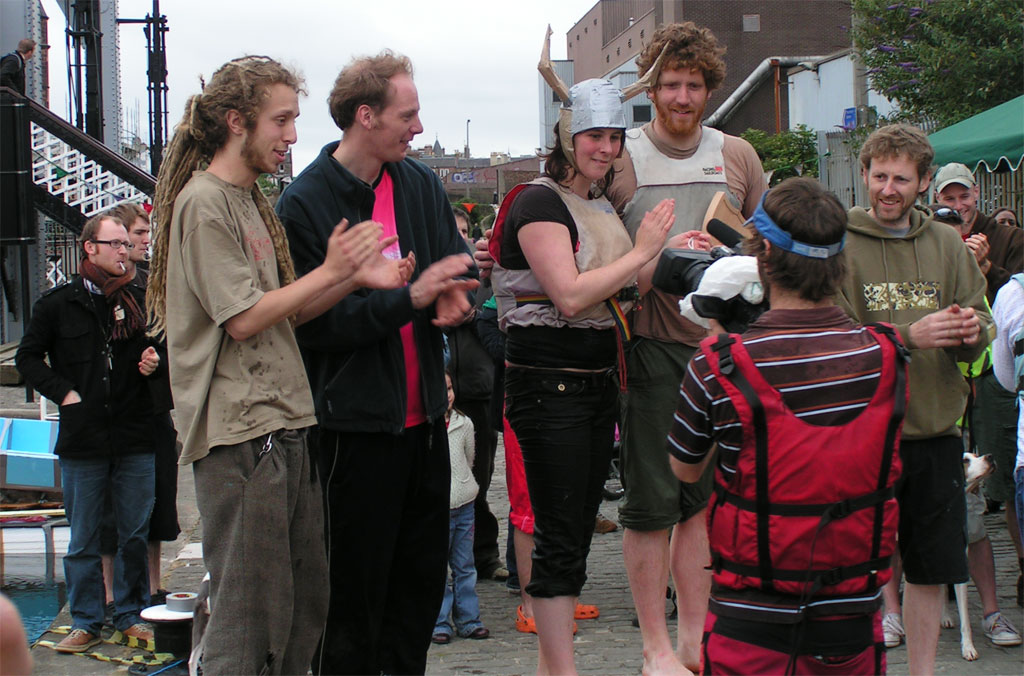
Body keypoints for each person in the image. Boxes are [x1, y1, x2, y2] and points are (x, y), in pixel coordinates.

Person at [147, 55, 409, 675]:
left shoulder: (247, 200)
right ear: (236, 122)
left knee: (300, 608)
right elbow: (243, 319)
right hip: (241, 434)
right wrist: (334, 270)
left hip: (282, 424)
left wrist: (347, 281)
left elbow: (280, 316)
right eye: (282, 119)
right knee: (248, 617)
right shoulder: (205, 203)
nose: (294, 135)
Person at [274, 50, 477, 675]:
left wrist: (452, 294)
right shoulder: (306, 203)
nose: (418, 128)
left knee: (417, 598)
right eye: (407, 115)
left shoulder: (415, 181)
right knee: (353, 606)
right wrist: (408, 298)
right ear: (366, 116)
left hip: (424, 431)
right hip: (354, 434)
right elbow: (318, 329)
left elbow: (452, 259)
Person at [670, 176, 907, 675]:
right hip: (853, 620)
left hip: (750, 624)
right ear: (840, 264)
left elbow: (685, 470)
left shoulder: (719, 365)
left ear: (763, 260)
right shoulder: (886, 356)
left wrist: (719, 338)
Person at [489, 74, 674, 674]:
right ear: (568, 135)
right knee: (560, 535)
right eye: (595, 135)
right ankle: (561, 670)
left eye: (615, 137)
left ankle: (553, 668)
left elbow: (621, 293)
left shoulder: (597, 203)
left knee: (572, 532)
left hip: (595, 385)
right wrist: (643, 251)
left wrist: (665, 255)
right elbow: (569, 297)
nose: (606, 148)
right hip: (549, 388)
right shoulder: (536, 201)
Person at [603, 22, 768, 675]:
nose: (680, 96)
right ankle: (653, 647)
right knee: (650, 505)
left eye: (692, 84)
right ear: (652, 86)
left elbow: (768, 248)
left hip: (727, 351)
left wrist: (725, 257)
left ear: (709, 87)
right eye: (669, 83)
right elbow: (591, 251)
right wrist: (653, 263)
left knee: (702, 505)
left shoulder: (738, 155)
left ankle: (697, 640)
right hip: (650, 347)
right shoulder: (619, 157)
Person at [836, 124, 991, 675]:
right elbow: (831, 339)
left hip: (934, 436)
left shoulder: (948, 246)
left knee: (931, 568)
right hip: (859, 438)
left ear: (923, 182)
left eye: (902, 178)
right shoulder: (839, 245)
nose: (888, 188)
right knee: (853, 573)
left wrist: (975, 328)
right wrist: (908, 337)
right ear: (864, 176)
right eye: (879, 176)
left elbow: (984, 319)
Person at [16, 213, 159, 653]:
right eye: (113, 243)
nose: (123, 250)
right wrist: (65, 394)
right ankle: (86, 620)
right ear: (90, 248)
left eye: (125, 243)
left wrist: (156, 363)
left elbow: (170, 352)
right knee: (83, 537)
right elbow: (28, 358)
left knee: (135, 532)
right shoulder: (58, 304)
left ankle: (132, 614)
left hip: (134, 432)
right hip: (84, 438)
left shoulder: (143, 298)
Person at [933, 163, 1024, 601]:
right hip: (939, 375)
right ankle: (942, 578)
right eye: (947, 199)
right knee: (935, 477)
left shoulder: (1008, 239)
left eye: (963, 197)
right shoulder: (928, 238)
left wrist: (985, 268)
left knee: (999, 476)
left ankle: (1014, 577)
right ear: (935, 201)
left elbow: (1011, 305)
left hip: (991, 375)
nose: (957, 207)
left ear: (977, 195)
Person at [97, 202, 179, 613]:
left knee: (158, 503)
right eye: (138, 235)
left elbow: (170, 340)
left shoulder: (151, 288)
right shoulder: (94, 296)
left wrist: (158, 361)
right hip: (114, 413)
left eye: (146, 235)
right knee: (111, 511)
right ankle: (110, 593)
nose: (145, 242)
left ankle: (151, 586)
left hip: (150, 409)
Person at [450, 206, 506, 581]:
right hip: (439, 391)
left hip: (476, 385)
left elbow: (495, 313)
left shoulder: (482, 274)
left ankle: (484, 556)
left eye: (465, 232)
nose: (462, 241)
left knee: (478, 478)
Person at [432, 371, 490, 645]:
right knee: (438, 568)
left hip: (464, 506)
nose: (448, 395)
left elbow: (470, 457)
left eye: (450, 388)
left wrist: (465, 484)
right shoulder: (427, 428)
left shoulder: (464, 424)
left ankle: (469, 618)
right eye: (441, 390)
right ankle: (440, 621)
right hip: (438, 509)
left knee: (465, 565)